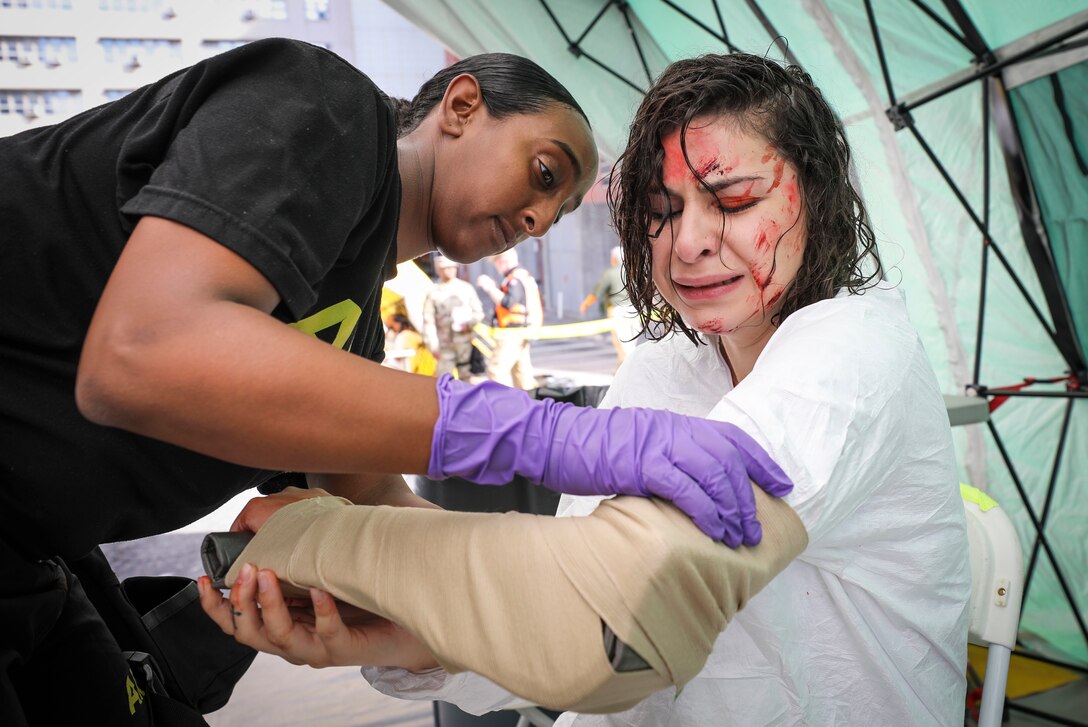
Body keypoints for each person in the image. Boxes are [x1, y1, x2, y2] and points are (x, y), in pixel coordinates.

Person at [0, 37, 794, 725]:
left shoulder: (355, 326)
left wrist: (471, 608)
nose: (539, 218)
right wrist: (551, 433)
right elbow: (143, 351)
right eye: (544, 172)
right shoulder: (325, 106)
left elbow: (376, 506)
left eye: (555, 214)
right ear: (460, 105)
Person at [200, 52, 971, 726]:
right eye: (662, 212)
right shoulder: (671, 361)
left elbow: (605, 605)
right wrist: (404, 632)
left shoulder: (854, 346)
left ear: (821, 197)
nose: (691, 242)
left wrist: (324, 541)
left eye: (734, 202)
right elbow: (566, 626)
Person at [476, 247, 542, 389]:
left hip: (513, 334)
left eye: (496, 263)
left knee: (495, 371)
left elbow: (508, 302)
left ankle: (504, 406)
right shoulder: (522, 276)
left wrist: (490, 288)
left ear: (502, 261)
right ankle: (531, 405)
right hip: (521, 332)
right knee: (521, 375)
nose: (497, 268)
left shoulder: (515, 280)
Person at [422, 255, 484, 379]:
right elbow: (428, 321)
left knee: (470, 379)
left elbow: (479, 313)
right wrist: (432, 344)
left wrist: (467, 324)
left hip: (465, 343)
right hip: (444, 345)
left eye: (452, 267)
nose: (450, 271)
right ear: (439, 270)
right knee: (444, 380)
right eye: (446, 268)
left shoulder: (466, 288)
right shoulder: (433, 292)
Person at [579, 245, 639, 364]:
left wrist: (585, 305)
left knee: (622, 344)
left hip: (619, 312)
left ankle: (629, 371)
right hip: (635, 310)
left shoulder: (610, 273)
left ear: (614, 259)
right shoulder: (634, 271)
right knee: (631, 342)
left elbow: (596, 293)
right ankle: (624, 371)